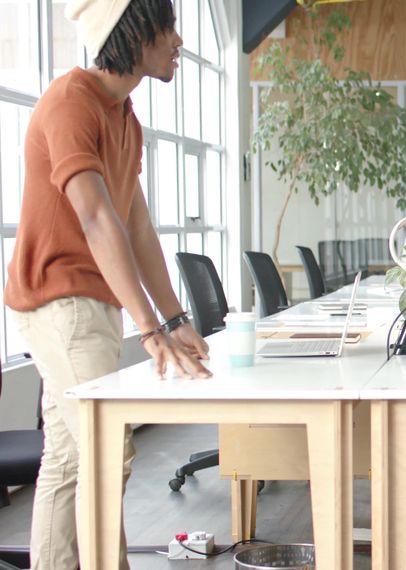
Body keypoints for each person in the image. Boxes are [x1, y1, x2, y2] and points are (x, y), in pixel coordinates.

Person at [4, 1, 212, 567]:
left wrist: (174, 319)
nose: (178, 40)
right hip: (60, 299)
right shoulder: (71, 102)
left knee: (71, 458)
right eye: (166, 27)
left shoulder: (123, 115)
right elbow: (96, 219)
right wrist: (150, 330)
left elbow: (136, 222)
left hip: (90, 301)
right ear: (135, 31)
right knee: (103, 446)